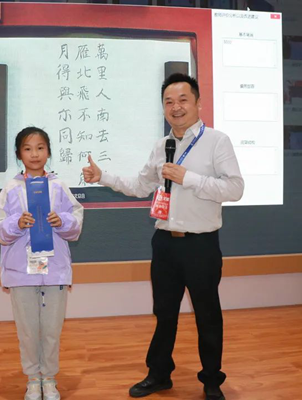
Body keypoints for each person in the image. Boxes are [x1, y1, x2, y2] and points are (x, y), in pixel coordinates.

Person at [82, 74, 244, 400]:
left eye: (183, 99)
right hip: (165, 243)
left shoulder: (217, 141)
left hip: (200, 244)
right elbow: (140, 185)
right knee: (164, 313)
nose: (176, 107)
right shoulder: (162, 146)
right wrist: (103, 177)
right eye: (169, 101)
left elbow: (235, 189)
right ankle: (159, 374)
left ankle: (212, 380)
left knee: (207, 315)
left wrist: (189, 178)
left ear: (198, 103)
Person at [0, 127, 84, 400]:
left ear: (48, 152)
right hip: (21, 273)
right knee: (28, 331)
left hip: (55, 271)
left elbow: (76, 223)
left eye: (40, 148)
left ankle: (49, 379)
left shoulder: (59, 187)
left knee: (52, 330)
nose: (34, 154)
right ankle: (33, 379)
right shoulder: (10, 189)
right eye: (28, 149)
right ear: (18, 154)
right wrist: (16, 223)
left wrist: (61, 221)